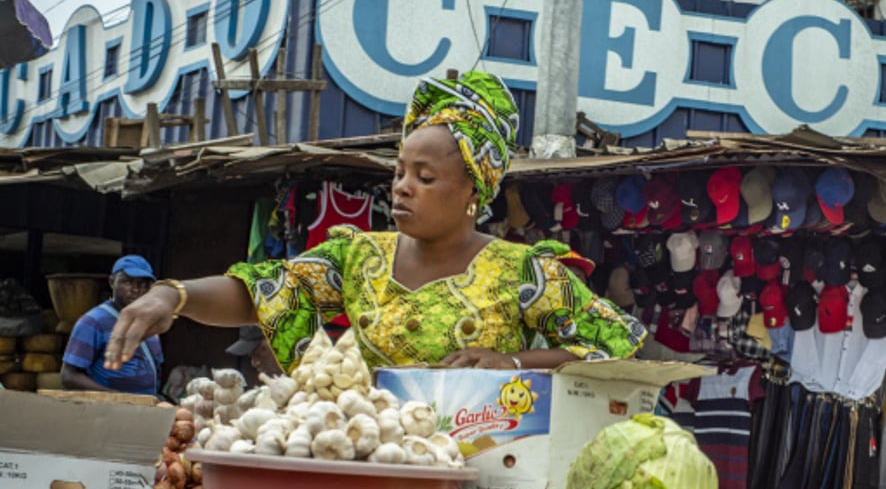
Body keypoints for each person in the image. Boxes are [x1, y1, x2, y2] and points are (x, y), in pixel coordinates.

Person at [102, 72, 644, 374]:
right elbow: (269, 290)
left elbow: (615, 344)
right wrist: (173, 296)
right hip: (373, 453)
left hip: (488, 475)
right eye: (401, 171)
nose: (402, 186)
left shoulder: (522, 272)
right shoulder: (358, 256)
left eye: (425, 177)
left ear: (471, 192)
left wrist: (513, 361)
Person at [62, 255, 164, 395]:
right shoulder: (93, 322)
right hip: (111, 410)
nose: (135, 290)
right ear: (112, 282)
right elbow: (69, 376)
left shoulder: (149, 321)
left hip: (146, 408)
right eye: (127, 282)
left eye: (143, 284)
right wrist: (115, 398)